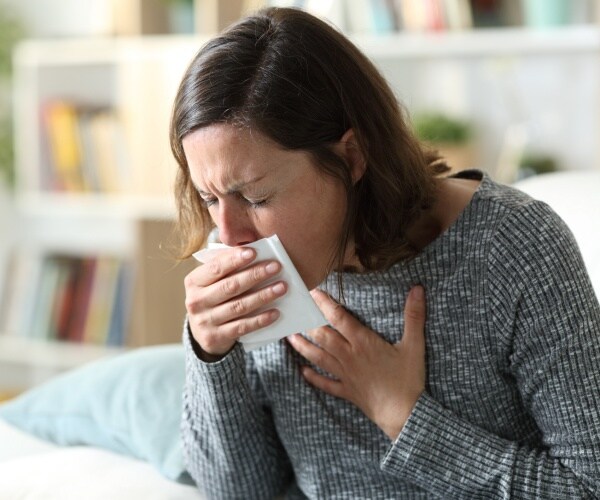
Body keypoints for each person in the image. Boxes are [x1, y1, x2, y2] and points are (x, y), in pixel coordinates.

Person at [170, 7, 600, 499]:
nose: (228, 235)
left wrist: (405, 417)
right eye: (209, 198)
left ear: (351, 157)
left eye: (257, 197)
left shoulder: (512, 247)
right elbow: (238, 491)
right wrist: (210, 353)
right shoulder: (238, 263)